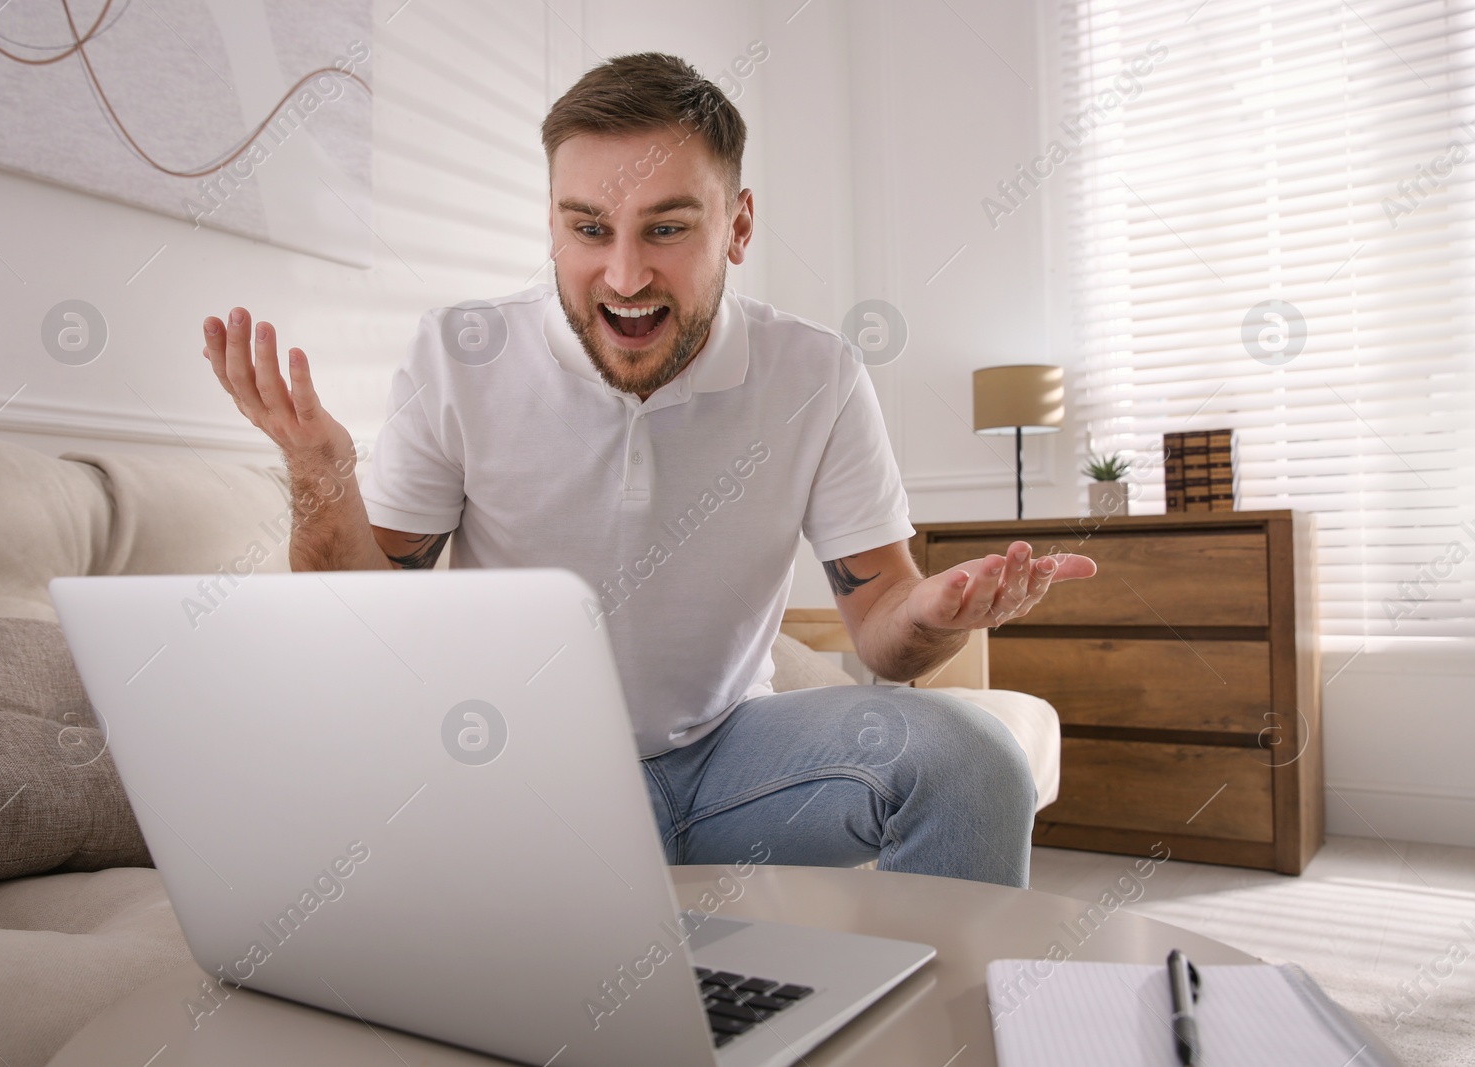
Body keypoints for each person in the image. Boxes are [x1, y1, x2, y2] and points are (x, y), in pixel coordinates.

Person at [200, 52, 1095, 889]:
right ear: (550, 224)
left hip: (733, 755)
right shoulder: (459, 355)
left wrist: (934, 615)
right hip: (536, 772)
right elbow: (365, 621)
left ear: (738, 226)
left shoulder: (816, 375)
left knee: (977, 764)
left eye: (665, 228)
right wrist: (319, 472)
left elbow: (883, 630)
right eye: (588, 228)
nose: (624, 274)